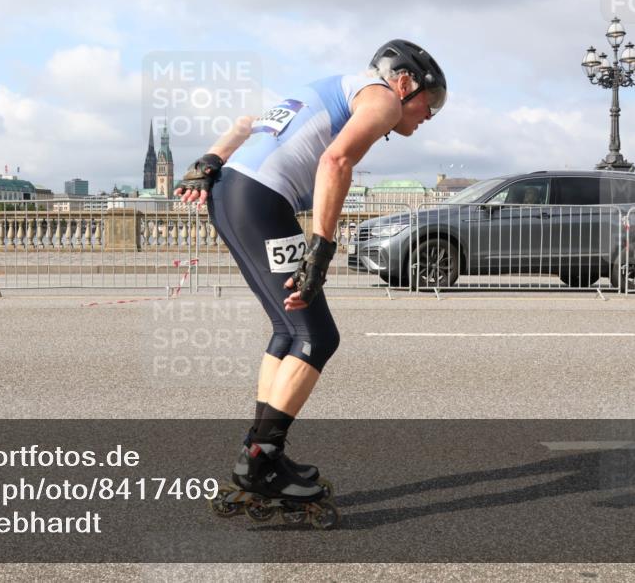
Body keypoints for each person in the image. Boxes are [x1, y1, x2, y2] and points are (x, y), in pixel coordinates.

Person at [175, 40, 447, 520]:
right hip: (260, 200)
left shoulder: (326, 87)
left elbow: (245, 125)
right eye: (432, 100)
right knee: (317, 336)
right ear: (404, 82)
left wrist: (209, 161)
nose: (431, 114)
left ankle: (259, 453)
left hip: (231, 193)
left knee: (288, 329)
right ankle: (260, 460)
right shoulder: (381, 98)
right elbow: (336, 162)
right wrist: (321, 249)